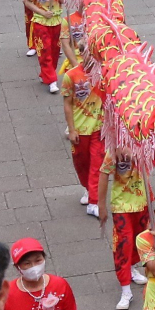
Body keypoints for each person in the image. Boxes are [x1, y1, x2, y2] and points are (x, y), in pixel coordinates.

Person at [99, 150, 149, 310]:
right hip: (122, 205)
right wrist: (101, 205)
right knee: (123, 244)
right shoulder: (114, 151)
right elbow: (104, 174)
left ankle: (132, 267)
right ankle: (125, 290)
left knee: (139, 240)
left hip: (142, 202)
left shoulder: (144, 144)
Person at [62, 54, 104, 218]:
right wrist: (71, 129)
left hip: (99, 128)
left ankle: (93, 202)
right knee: (81, 163)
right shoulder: (71, 76)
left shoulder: (103, 74)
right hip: (80, 130)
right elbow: (67, 104)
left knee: (97, 165)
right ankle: (88, 188)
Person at [24, 0, 64, 94]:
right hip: (41, 23)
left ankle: (45, 73)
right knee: (45, 50)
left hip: (56, 22)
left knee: (55, 52)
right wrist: (42, 12)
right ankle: (52, 80)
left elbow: (63, 1)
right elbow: (27, 2)